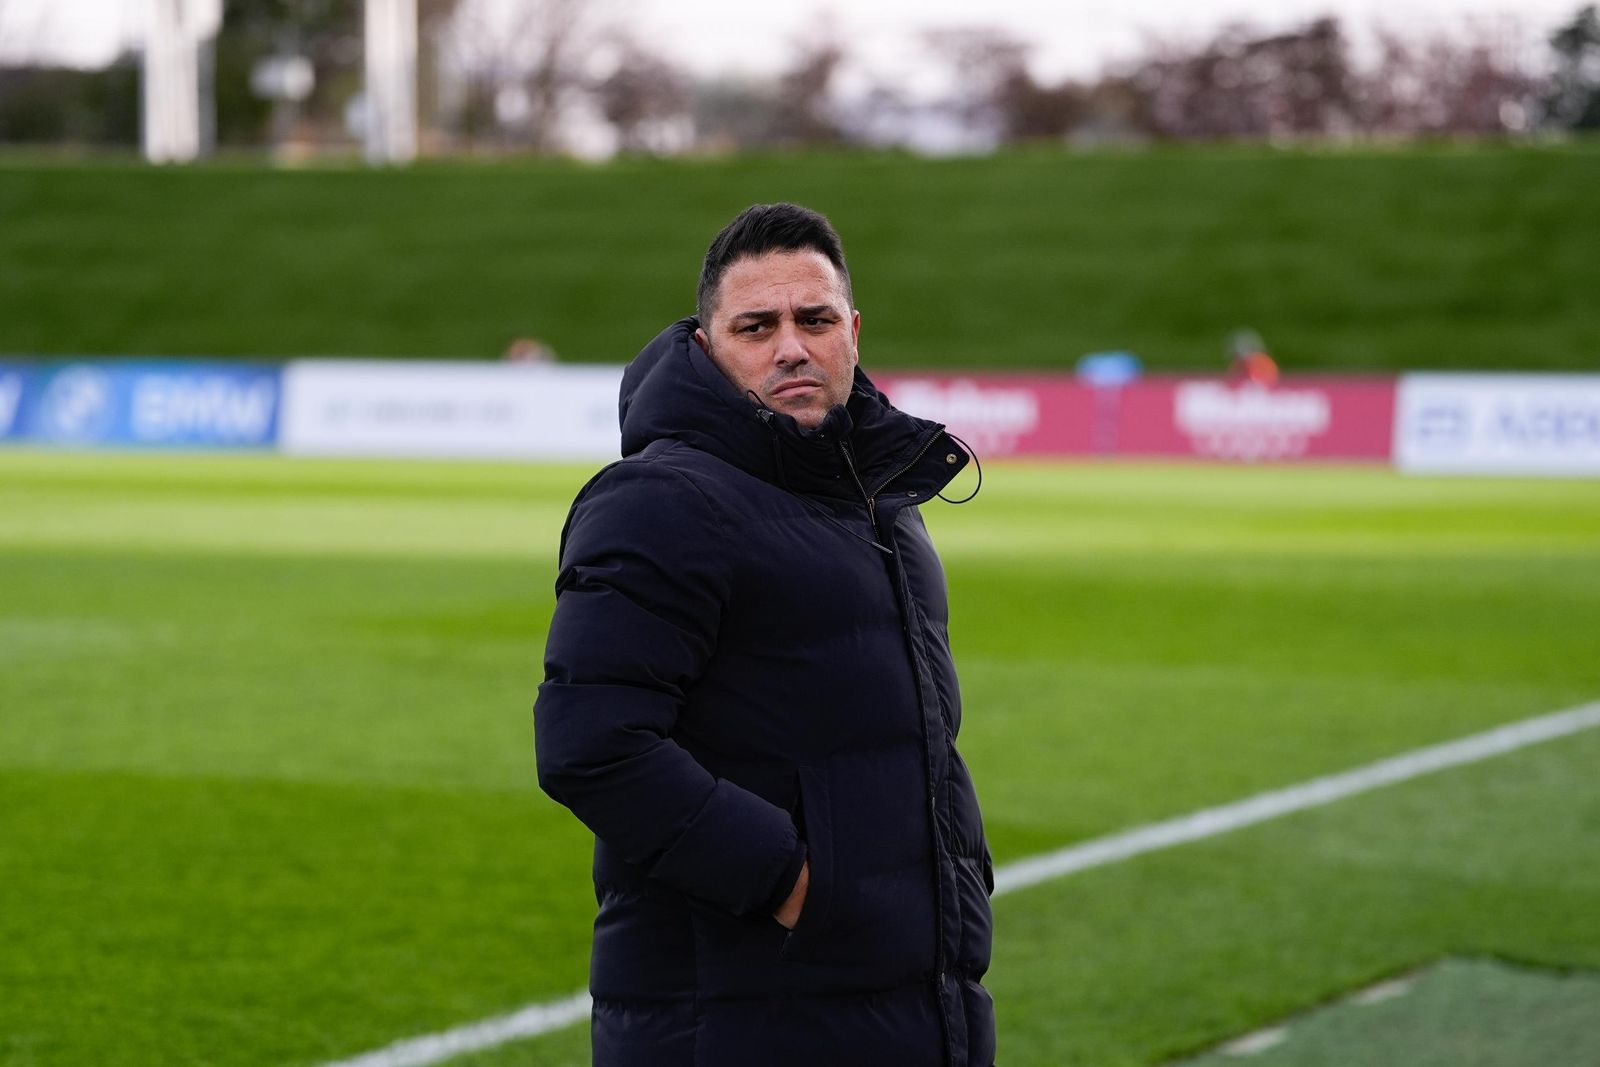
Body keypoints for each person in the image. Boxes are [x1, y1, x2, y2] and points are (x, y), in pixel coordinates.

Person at [533, 203, 995, 1066]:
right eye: (757, 326)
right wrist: (791, 885)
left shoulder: (878, 498)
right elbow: (590, 742)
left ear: (852, 332)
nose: (791, 347)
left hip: (906, 1000)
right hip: (741, 1015)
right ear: (708, 345)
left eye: (814, 320)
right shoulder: (659, 501)